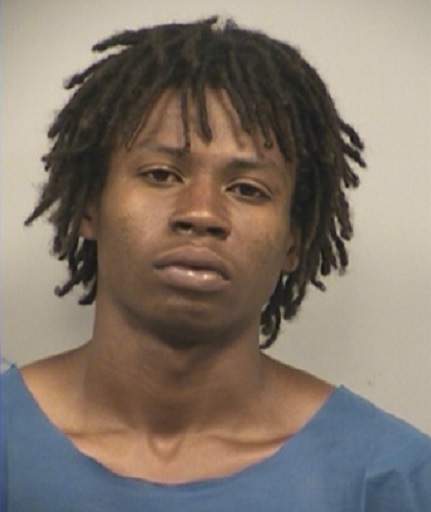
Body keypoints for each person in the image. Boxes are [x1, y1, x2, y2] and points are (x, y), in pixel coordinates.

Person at [1, 16, 430, 512]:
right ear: (88, 205)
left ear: (293, 240)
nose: (202, 213)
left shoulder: (389, 479)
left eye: (248, 189)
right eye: (161, 175)